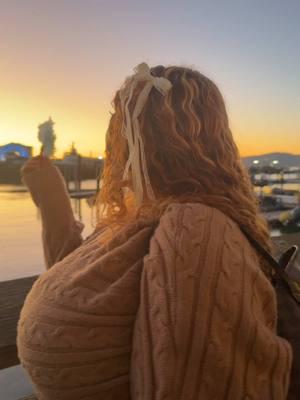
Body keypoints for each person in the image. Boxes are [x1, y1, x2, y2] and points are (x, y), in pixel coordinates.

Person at [17, 63, 292, 400]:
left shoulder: (196, 227)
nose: (117, 145)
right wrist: (52, 200)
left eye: (124, 129)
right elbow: (80, 284)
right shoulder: (138, 220)